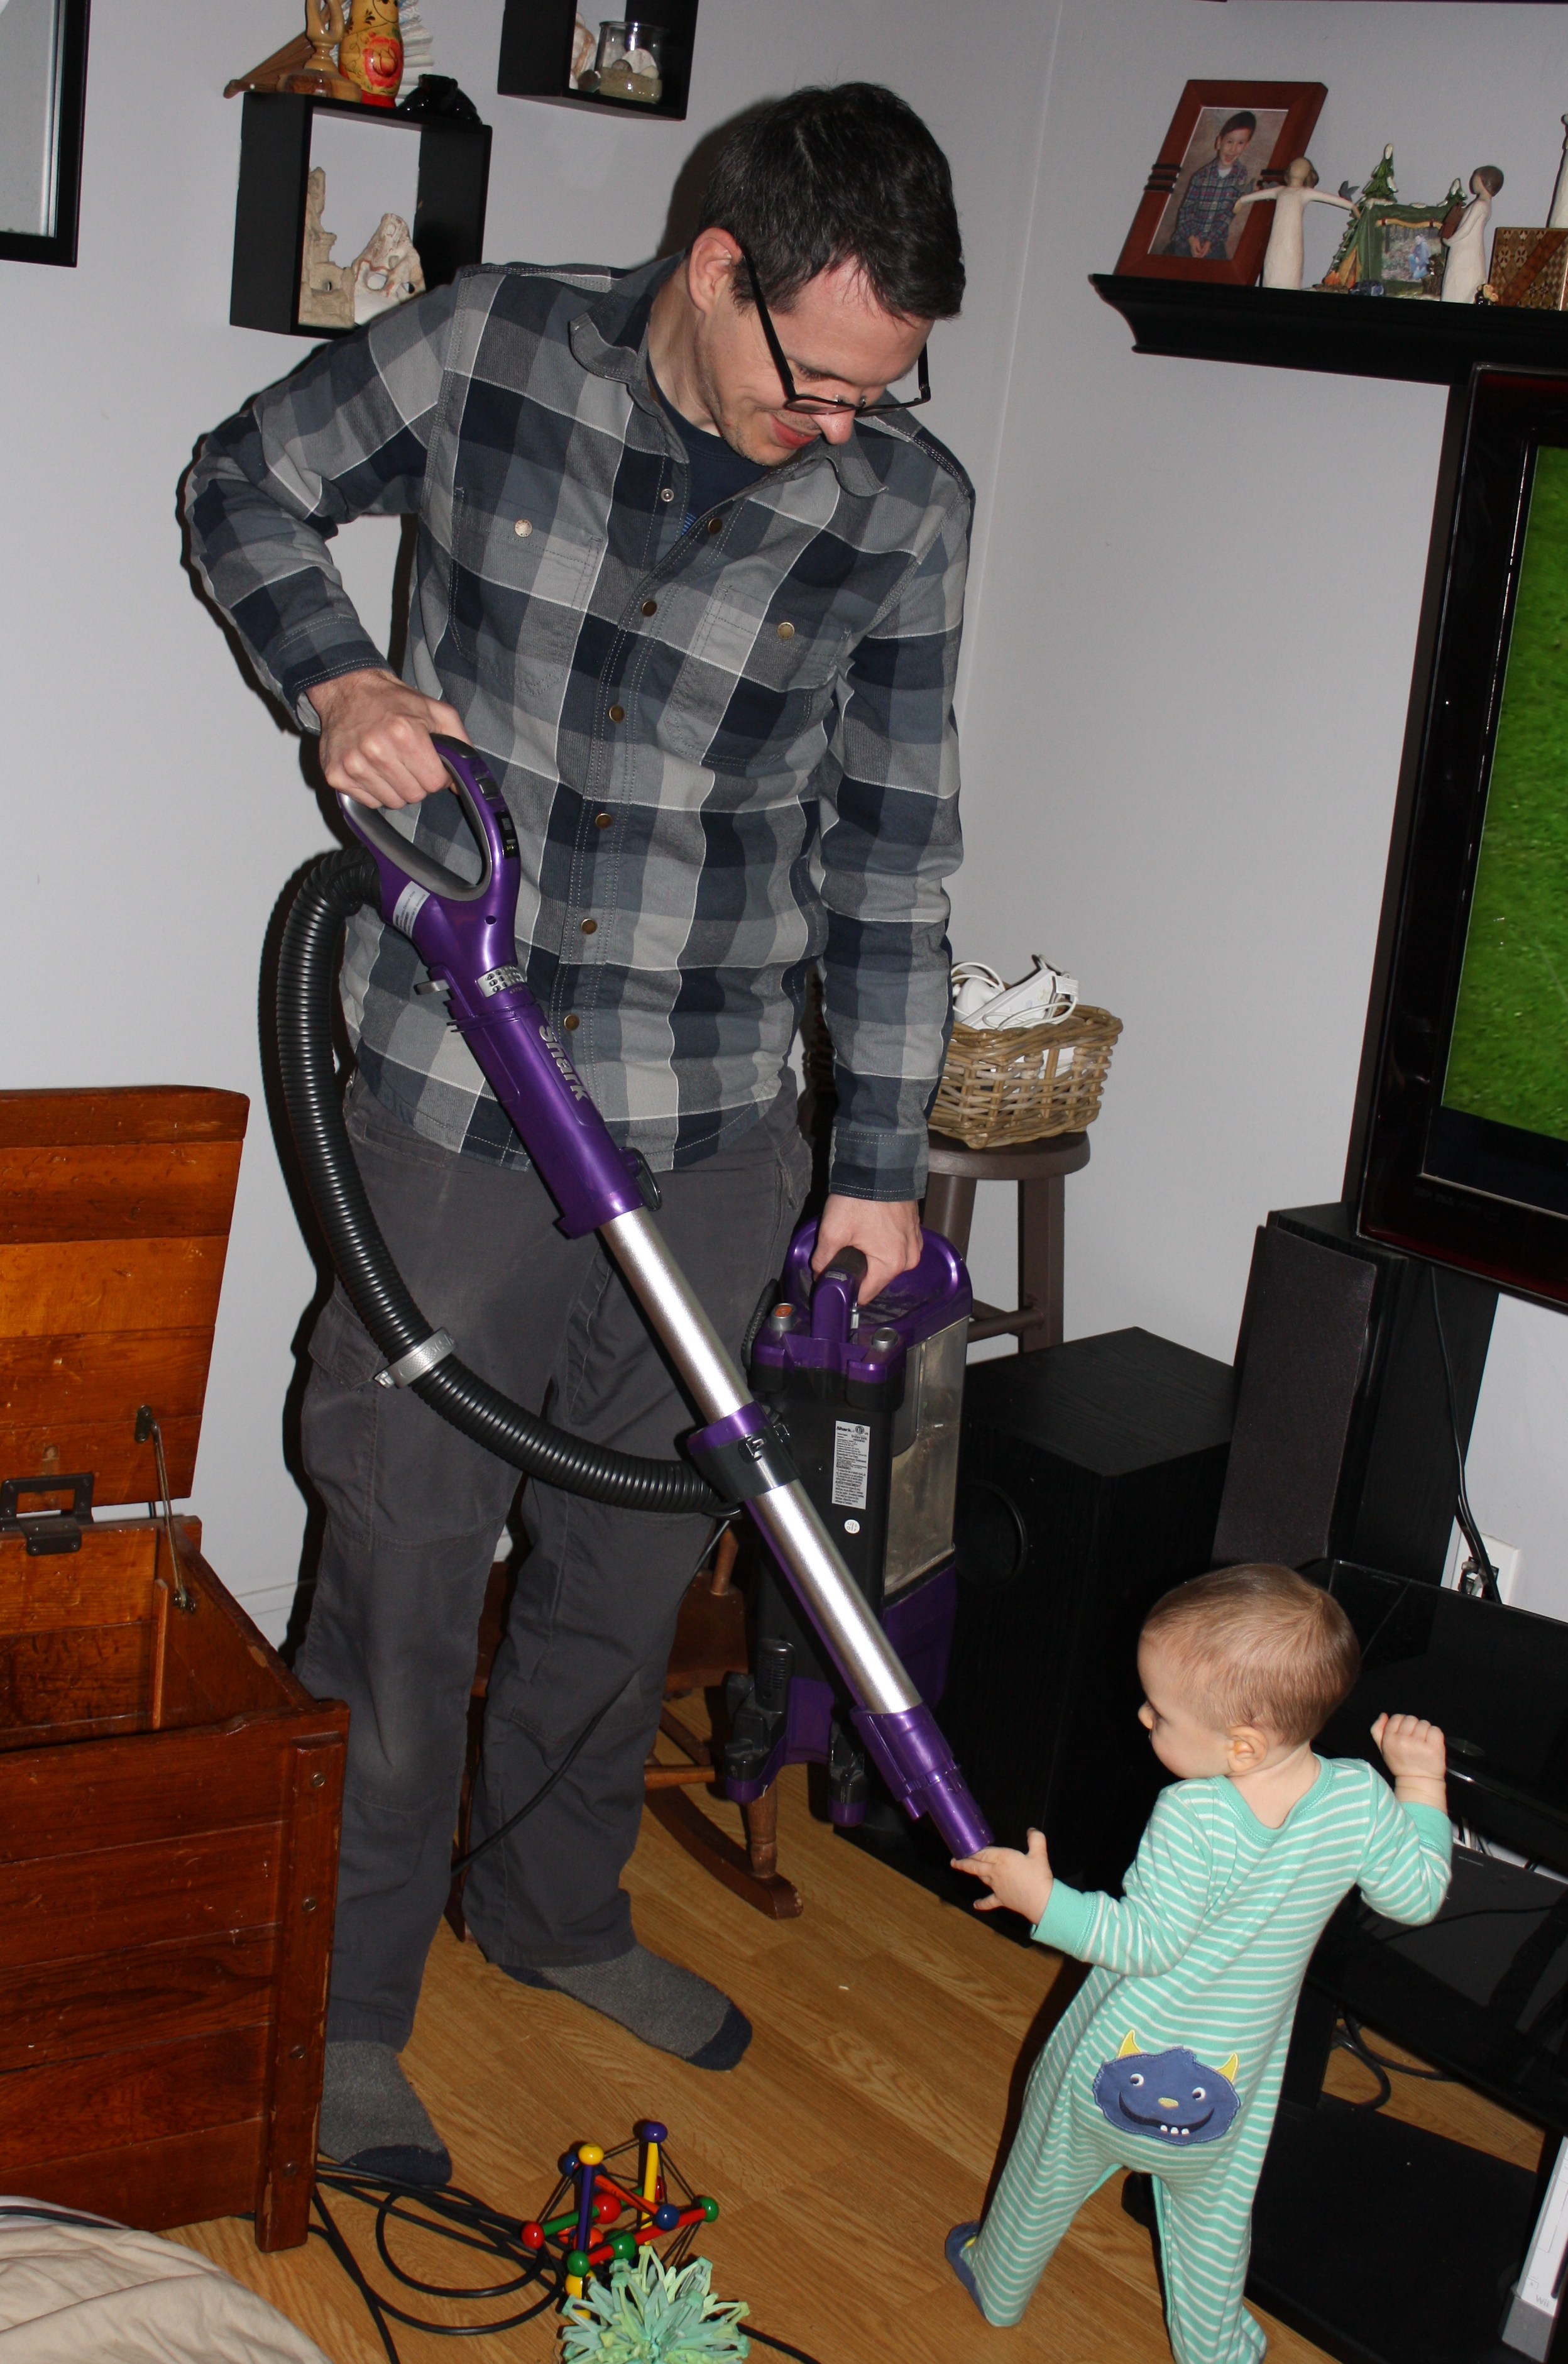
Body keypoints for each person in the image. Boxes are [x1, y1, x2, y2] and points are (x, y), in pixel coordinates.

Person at [184, 81, 969, 2185]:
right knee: (404, 1561)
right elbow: (243, 483)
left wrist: (876, 1164)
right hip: (454, 1094)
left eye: (880, 391)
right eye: (815, 380)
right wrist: (339, 682)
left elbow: (891, 847)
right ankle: (345, 2008)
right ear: (714, 267)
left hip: (713, 1115)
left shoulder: (901, 507)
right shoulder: (491, 348)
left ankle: (546, 1913)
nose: (839, 426)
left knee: (631, 1561)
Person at [945, 1564, 1451, 2361]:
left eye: (1160, 1712)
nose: (1142, 1714)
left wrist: (1041, 1899)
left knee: (1043, 2168)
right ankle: (1217, 2350)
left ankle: (998, 2281)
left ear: (1241, 1746)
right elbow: (1415, 1894)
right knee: (1212, 2228)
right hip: (1231, 2085)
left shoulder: (1192, 1813)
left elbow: (1143, 1942)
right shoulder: (1358, 1798)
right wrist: (1420, 1781)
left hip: (1110, 2059)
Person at [1167, 113, 1258, 261]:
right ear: (1219, 142)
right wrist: (1192, 239)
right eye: (1229, 142)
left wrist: (1210, 241)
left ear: (1247, 145)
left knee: (1222, 270)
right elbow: (1185, 212)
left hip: (1214, 242)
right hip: (1187, 239)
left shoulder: (1241, 175)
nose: (1233, 149)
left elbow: (1229, 214)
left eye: (1240, 143)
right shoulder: (1200, 177)